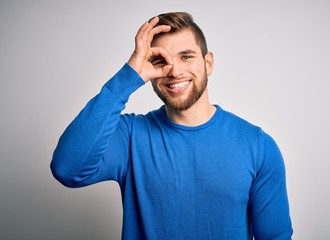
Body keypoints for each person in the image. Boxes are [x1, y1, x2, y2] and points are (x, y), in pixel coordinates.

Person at [51, 12, 293, 240]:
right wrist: (129, 76)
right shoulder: (131, 135)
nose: (175, 71)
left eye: (186, 57)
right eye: (160, 60)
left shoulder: (257, 146)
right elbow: (68, 169)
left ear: (208, 63)